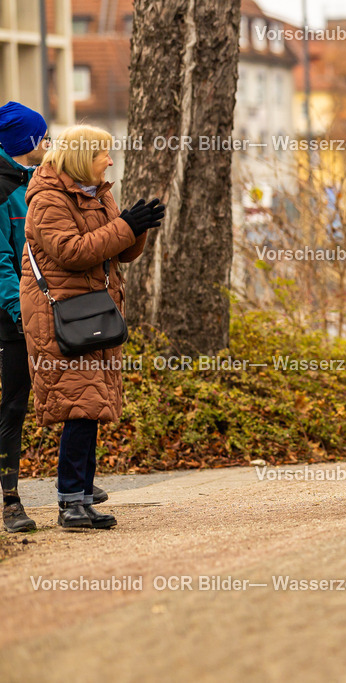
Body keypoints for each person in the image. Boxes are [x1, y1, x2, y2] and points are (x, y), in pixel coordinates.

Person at [21, 124, 163, 529]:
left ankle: (81, 497)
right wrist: (125, 227)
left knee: (91, 406)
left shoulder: (97, 192)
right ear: (83, 156)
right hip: (60, 318)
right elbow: (73, 252)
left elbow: (117, 252)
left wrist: (137, 228)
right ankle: (71, 503)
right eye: (104, 153)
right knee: (80, 407)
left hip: (92, 311)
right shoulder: (47, 199)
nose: (111, 160)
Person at [0, 102, 49, 532]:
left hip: (43, 310)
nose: (47, 143)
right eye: (42, 137)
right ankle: (11, 501)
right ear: (26, 142)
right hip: (10, 319)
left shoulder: (32, 182)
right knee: (12, 406)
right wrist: (19, 311)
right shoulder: (1, 191)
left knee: (63, 392)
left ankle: (78, 486)